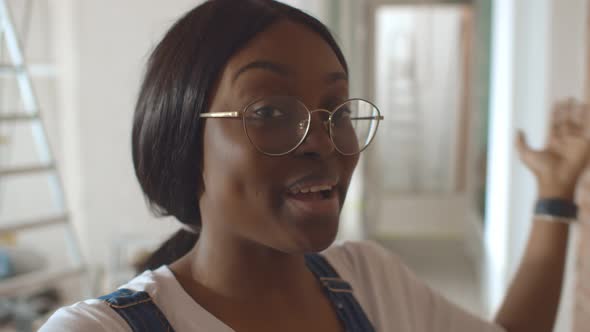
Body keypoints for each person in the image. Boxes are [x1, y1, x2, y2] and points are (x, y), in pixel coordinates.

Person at [40, 0, 590, 331]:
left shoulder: (370, 282)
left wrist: (554, 191)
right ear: (186, 137)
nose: (323, 142)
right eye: (272, 110)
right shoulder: (97, 329)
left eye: (335, 109)